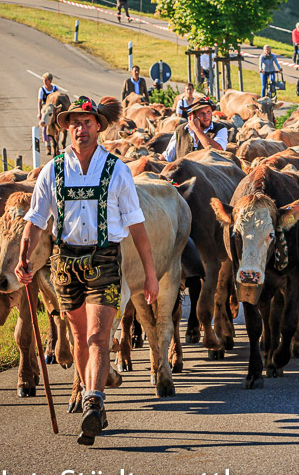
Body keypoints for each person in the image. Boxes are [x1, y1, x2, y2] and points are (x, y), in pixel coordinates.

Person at [16, 96, 158, 446]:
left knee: (97, 336)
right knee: (79, 337)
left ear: (99, 126)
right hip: (64, 263)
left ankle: (93, 400)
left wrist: (150, 273)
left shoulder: (116, 170)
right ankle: (92, 397)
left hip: (104, 260)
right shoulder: (53, 170)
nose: (81, 128)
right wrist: (24, 257)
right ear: (66, 127)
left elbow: (136, 224)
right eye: (75, 122)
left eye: (88, 122)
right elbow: (36, 219)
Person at [162, 98, 228, 161]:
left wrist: (197, 129)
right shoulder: (180, 130)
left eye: (208, 112)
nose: (206, 116)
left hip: (208, 172)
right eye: (202, 113)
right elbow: (167, 157)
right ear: (193, 115)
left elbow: (218, 152)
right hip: (184, 172)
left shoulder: (220, 129)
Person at [38, 72, 61, 155]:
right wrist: (39, 113)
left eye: (46, 80)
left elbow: (58, 99)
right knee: (44, 127)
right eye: (44, 79)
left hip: (53, 111)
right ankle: (47, 145)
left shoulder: (55, 89)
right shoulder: (42, 90)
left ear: (50, 80)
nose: (44, 81)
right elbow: (39, 102)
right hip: (45, 111)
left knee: (56, 126)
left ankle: (55, 144)